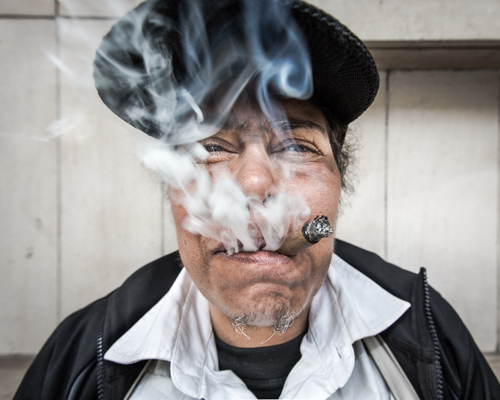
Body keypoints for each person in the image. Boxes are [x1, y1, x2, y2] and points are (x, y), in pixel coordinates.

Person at [15, 0, 500, 399]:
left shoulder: (426, 334)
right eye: (211, 149)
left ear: (337, 187)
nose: (253, 184)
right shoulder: (86, 356)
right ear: (172, 191)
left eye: (295, 147)